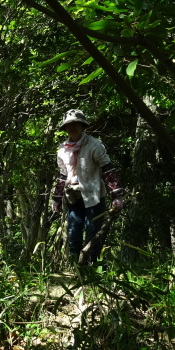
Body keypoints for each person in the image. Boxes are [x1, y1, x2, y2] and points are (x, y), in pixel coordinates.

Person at [51, 109, 124, 265]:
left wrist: (117, 195)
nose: (72, 127)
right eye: (69, 125)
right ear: (65, 128)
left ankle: (93, 267)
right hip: (73, 196)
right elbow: (62, 176)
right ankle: (76, 268)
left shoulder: (94, 145)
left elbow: (108, 169)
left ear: (83, 126)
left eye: (76, 124)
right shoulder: (62, 150)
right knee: (73, 232)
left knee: (93, 233)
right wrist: (56, 200)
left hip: (94, 195)